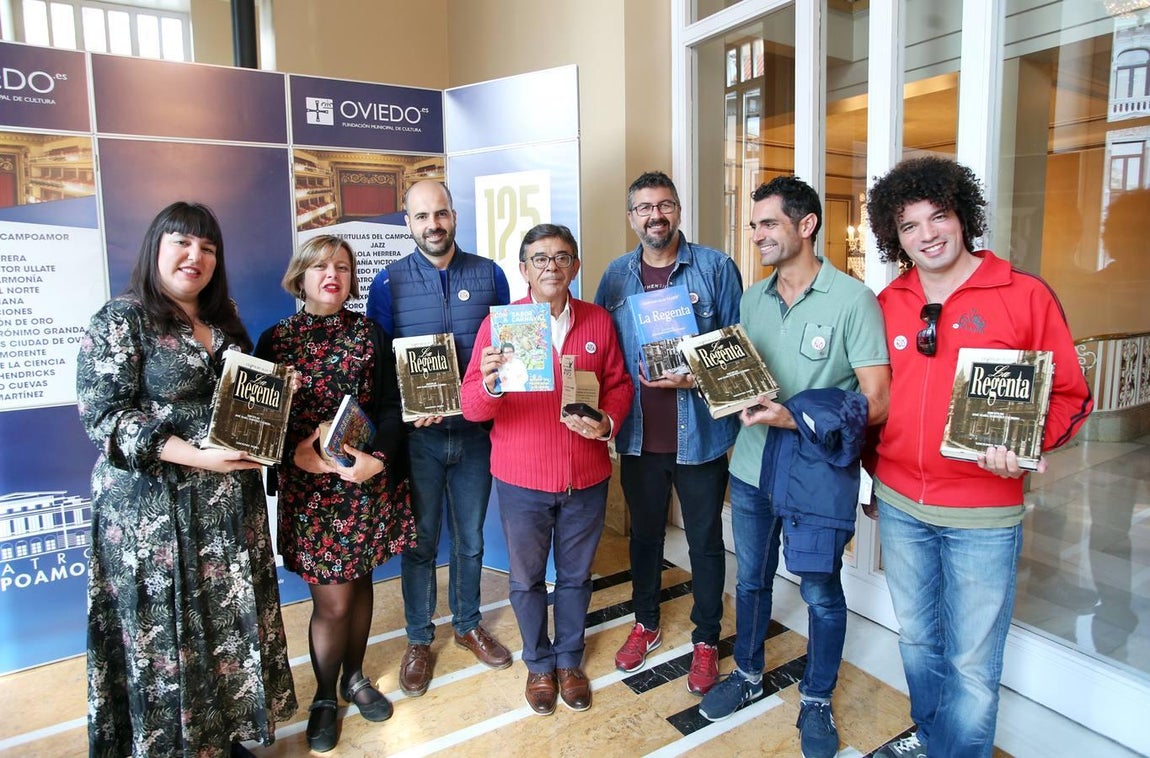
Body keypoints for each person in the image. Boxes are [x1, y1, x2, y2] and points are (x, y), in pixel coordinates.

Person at [862, 156, 1093, 758]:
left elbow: (1069, 393)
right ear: (895, 236)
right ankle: (935, 738)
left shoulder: (1024, 294)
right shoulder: (888, 301)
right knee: (916, 641)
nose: (927, 234)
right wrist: (871, 479)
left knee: (970, 661)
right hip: (900, 503)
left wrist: (1026, 446)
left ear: (963, 217)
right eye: (909, 226)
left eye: (938, 216)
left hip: (984, 513)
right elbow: (872, 400)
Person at [76, 201, 297, 757]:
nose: (194, 256)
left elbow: (237, 405)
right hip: (154, 517)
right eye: (181, 242)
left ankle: (219, 738)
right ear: (155, 246)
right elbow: (103, 417)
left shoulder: (223, 320)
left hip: (226, 512)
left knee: (223, 628)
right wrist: (199, 457)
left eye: (207, 247)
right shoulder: (120, 319)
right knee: (166, 635)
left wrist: (274, 396)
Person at [697, 177, 890, 758]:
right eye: (754, 225)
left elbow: (876, 401)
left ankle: (816, 698)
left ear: (806, 226)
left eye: (768, 224)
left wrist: (796, 417)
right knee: (751, 580)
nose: (756, 235)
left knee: (820, 591)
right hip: (752, 471)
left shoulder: (853, 300)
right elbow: (737, 374)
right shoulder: (751, 300)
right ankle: (749, 673)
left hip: (815, 476)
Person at [460, 223, 632, 716]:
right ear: (524, 270)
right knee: (526, 580)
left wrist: (607, 423)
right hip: (522, 479)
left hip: (587, 476)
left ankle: (570, 660)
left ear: (575, 266)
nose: (550, 266)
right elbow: (472, 406)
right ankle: (539, 664)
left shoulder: (597, 320)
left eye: (561, 257)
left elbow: (619, 385)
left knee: (577, 578)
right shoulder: (502, 327)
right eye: (539, 258)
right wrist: (492, 384)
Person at [255, 235, 415, 752]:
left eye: (343, 268)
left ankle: (355, 677)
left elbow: (390, 409)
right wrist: (289, 455)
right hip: (312, 497)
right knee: (334, 603)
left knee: (362, 584)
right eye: (321, 266)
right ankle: (325, 695)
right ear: (299, 276)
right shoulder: (274, 342)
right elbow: (255, 425)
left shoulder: (371, 334)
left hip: (362, 485)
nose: (332, 275)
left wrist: (378, 461)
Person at [593, 170, 743, 695]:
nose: (655, 216)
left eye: (664, 205)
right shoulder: (616, 276)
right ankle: (647, 623)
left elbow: (737, 354)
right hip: (637, 437)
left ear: (677, 209)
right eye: (644, 208)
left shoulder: (715, 267)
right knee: (646, 539)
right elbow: (604, 353)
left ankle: (706, 638)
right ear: (632, 217)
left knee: (704, 542)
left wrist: (694, 375)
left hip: (699, 437)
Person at [365, 180, 513, 696]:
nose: (433, 224)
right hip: (420, 441)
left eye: (441, 213)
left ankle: (468, 624)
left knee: (470, 540)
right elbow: (381, 370)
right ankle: (418, 639)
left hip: (476, 435)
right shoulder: (386, 285)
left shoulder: (490, 275)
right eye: (422, 216)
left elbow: (508, 349)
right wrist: (409, 411)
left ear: (454, 215)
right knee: (422, 543)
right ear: (407, 223)